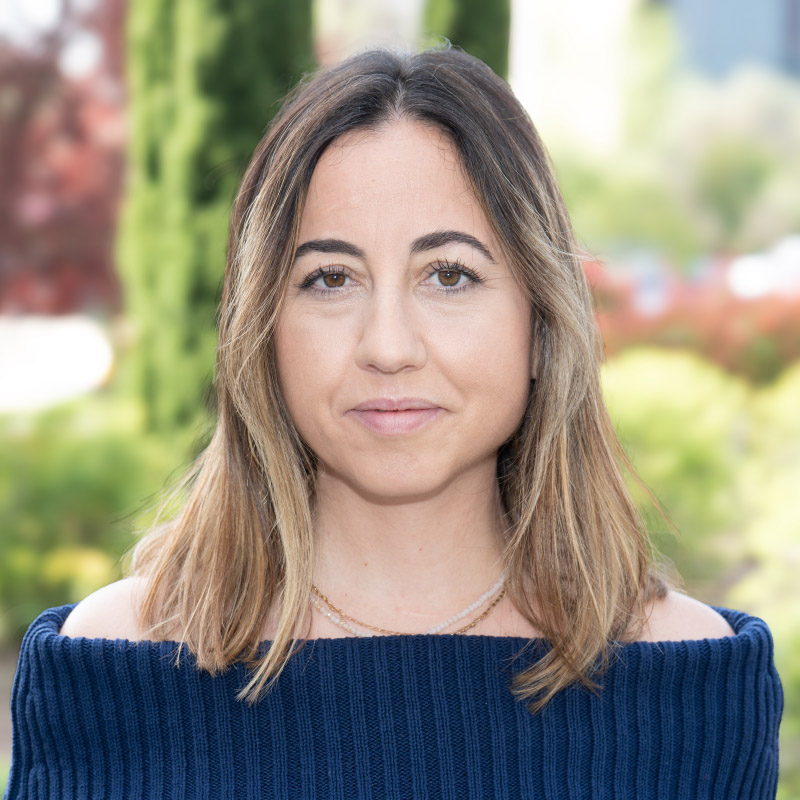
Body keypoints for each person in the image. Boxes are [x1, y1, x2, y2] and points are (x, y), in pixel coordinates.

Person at [5, 45, 782, 800]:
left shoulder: (691, 688)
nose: (387, 346)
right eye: (330, 279)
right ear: (262, 331)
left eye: (449, 275)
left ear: (541, 323)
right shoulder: (110, 673)